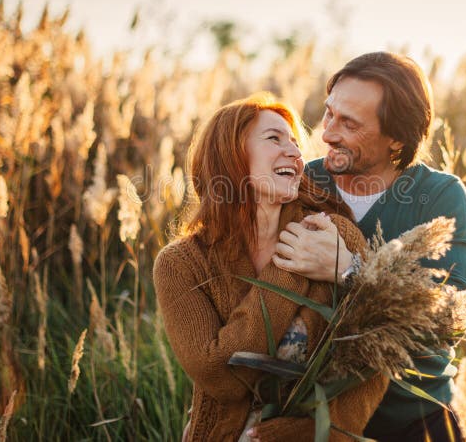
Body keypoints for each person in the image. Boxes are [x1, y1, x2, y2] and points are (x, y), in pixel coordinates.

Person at [153, 94, 388, 442]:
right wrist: (289, 265)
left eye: (295, 142)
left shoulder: (331, 234)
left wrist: (315, 432)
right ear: (230, 155)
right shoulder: (180, 264)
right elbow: (220, 376)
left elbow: (376, 351)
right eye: (274, 139)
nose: (295, 152)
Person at [273, 52, 466, 442]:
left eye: (349, 123)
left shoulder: (439, 196)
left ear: (397, 137)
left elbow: (454, 317)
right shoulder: (301, 180)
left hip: (414, 416)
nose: (328, 133)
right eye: (329, 113)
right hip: (310, 419)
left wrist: (351, 270)